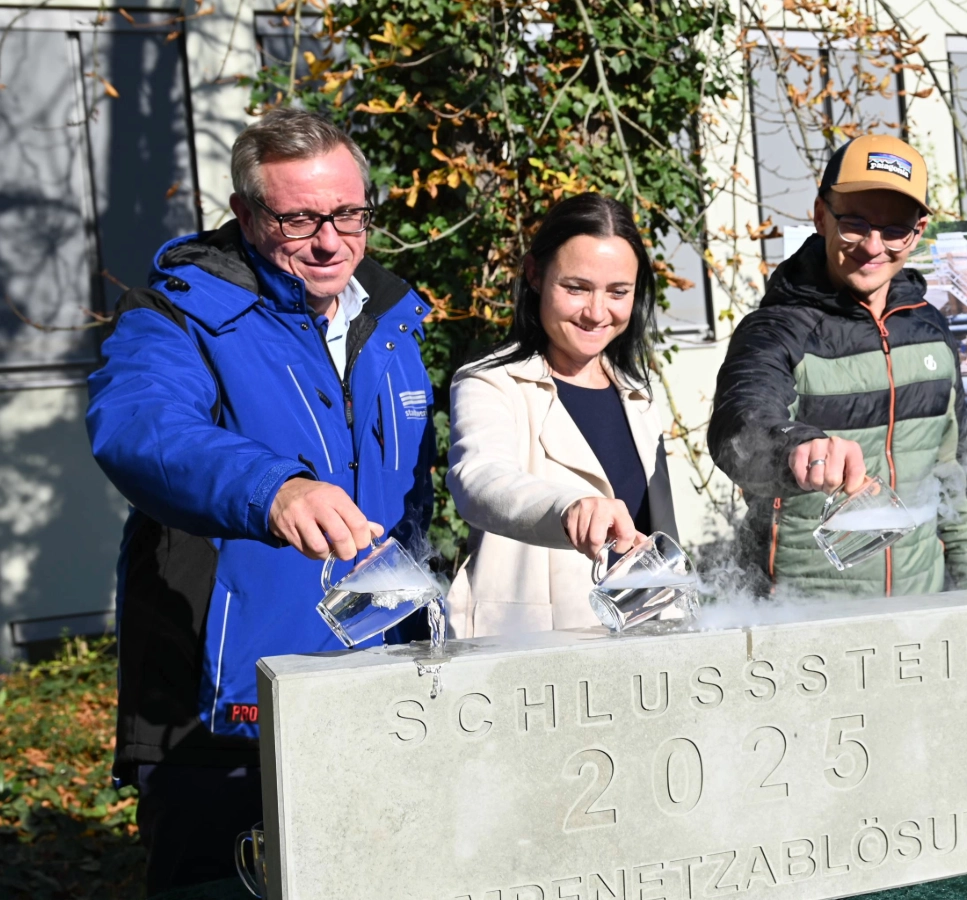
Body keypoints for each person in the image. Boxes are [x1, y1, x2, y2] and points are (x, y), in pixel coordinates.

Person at [85, 108, 435, 893]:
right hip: (229, 706)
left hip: (382, 689)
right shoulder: (179, 313)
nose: (330, 239)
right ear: (245, 215)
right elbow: (137, 427)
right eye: (299, 216)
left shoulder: (393, 322)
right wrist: (271, 488)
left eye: (348, 213)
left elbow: (413, 501)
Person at [708, 135, 967, 597]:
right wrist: (798, 448)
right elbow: (737, 431)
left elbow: (950, 480)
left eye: (895, 229)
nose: (873, 246)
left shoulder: (932, 330)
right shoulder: (775, 330)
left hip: (924, 612)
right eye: (854, 223)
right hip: (800, 616)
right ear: (821, 216)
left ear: (917, 233)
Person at [445, 192, 677, 636]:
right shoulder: (491, 382)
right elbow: (480, 479)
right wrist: (567, 507)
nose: (596, 312)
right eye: (576, 288)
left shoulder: (639, 394)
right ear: (534, 275)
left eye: (618, 292)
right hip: (528, 651)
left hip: (642, 648)